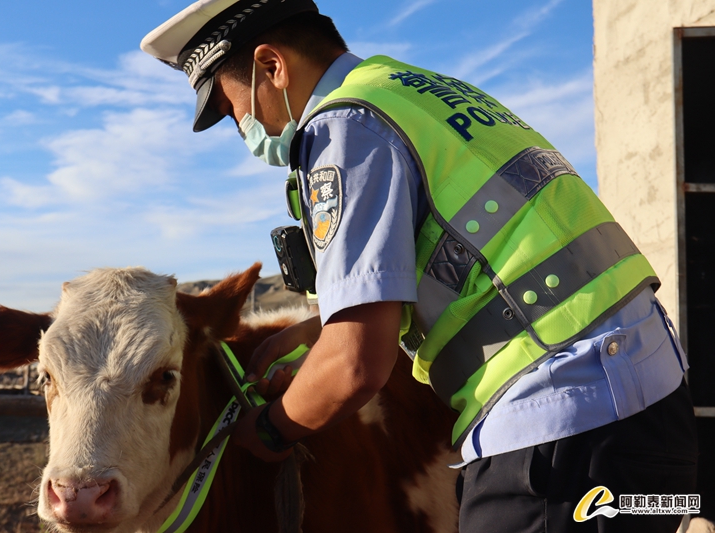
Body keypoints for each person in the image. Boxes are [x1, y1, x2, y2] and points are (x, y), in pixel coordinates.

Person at [140, 1, 698, 530]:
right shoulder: (416, 90)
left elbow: (356, 363)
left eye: (233, 109)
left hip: (561, 432)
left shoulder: (343, 130)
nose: (242, 129)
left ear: (271, 66)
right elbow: (480, 259)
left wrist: (269, 429)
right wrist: (314, 329)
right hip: (653, 408)